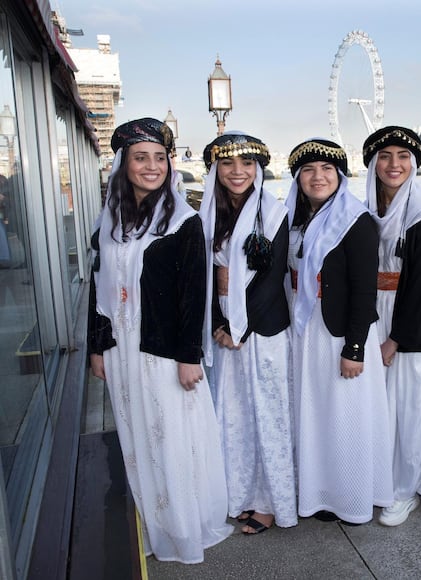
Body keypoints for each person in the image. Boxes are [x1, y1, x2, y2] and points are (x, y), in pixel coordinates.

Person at [88, 118, 232, 563]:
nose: (151, 166)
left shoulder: (184, 221)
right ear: (123, 164)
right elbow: (98, 288)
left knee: (172, 437)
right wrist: (97, 346)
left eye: (159, 157)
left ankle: (183, 527)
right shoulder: (110, 219)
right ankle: (155, 521)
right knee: (138, 439)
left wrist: (190, 357)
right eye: (140, 157)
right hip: (122, 351)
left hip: (163, 353)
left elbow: (195, 294)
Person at [286, 138, 393, 525]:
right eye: (309, 170)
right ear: (298, 178)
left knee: (346, 416)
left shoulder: (356, 219)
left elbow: (366, 289)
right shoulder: (296, 219)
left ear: (340, 176)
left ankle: (351, 496)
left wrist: (355, 347)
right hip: (308, 328)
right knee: (318, 415)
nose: (318, 177)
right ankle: (322, 492)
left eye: (327, 169)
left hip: (341, 333)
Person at [199, 132, 297, 535]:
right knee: (234, 417)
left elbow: (271, 281)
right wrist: (218, 326)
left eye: (245, 164)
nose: (237, 172)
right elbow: (204, 278)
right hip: (226, 333)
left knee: (268, 417)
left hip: (262, 332)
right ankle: (239, 493)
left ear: (258, 169)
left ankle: (272, 501)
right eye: (227, 164)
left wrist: (239, 328)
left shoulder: (273, 214)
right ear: (216, 170)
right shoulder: (207, 215)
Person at [362, 127, 421, 526]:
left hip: (411, 327)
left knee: (411, 409)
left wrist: (395, 339)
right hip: (376, 315)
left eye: (403, 156)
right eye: (384, 156)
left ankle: (405, 489)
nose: (393, 164)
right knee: (382, 409)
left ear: (414, 163)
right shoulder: (369, 210)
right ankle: (380, 477)